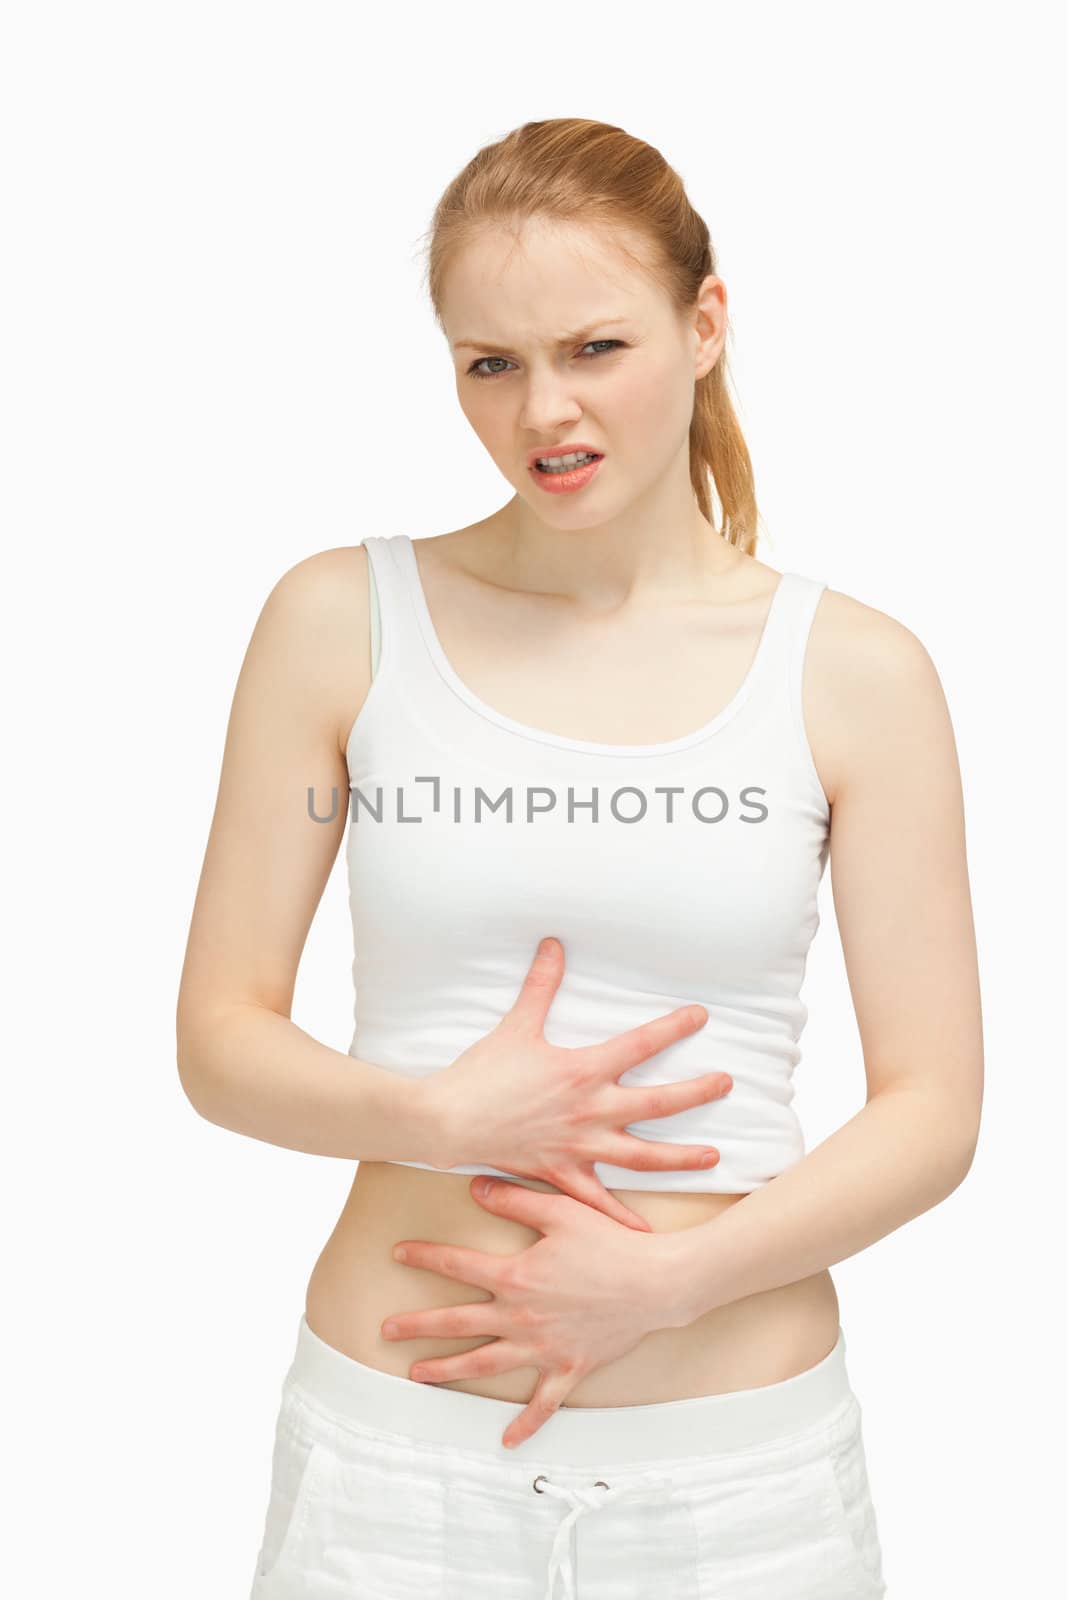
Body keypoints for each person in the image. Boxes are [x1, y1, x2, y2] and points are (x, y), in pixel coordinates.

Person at [176, 117, 983, 1599]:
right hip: (395, 1477)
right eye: (490, 363)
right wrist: (429, 1111)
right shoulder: (335, 622)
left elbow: (934, 1109)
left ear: (706, 325)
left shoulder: (855, 671)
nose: (543, 408)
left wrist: (667, 1281)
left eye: (595, 347)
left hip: (744, 1490)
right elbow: (219, 1039)